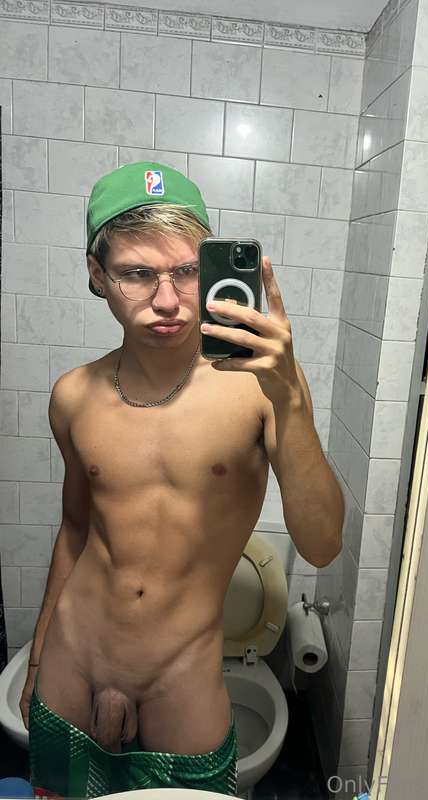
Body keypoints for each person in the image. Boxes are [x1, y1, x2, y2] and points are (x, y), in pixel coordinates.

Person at [19, 161, 344, 799]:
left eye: (187, 271)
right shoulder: (73, 396)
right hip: (71, 662)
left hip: (182, 680)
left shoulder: (261, 387)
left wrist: (290, 399)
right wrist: (35, 657)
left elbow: (323, 543)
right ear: (97, 274)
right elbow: (76, 531)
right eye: (137, 274)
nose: (167, 300)